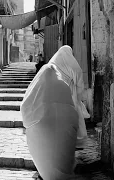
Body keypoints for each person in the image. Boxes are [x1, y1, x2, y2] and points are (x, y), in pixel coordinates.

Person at [20, 45, 89, 180]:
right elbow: (80, 83)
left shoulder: (52, 67)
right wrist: (79, 98)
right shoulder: (72, 67)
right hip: (69, 98)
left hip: (49, 103)